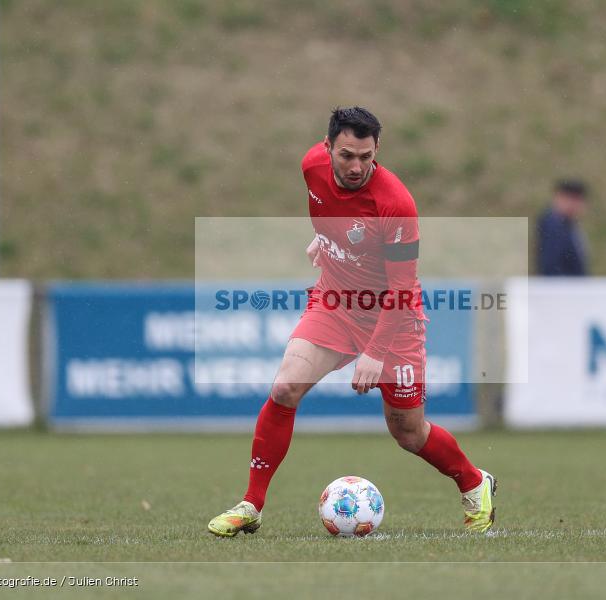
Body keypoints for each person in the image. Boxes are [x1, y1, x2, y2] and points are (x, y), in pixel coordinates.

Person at [208, 107, 496, 537]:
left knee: (409, 433)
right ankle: (252, 504)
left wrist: (375, 353)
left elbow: (402, 289)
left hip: (393, 320)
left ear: (377, 149)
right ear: (327, 148)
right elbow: (337, 212)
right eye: (346, 156)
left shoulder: (396, 205)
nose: (357, 166)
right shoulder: (311, 166)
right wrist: (325, 236)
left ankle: (474, 482)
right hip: (335, 304)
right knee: (285, 388)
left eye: (366, 156)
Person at [537, 179, 590, 276]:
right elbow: (551, 266)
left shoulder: (567, 225)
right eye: (571, 199)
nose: (574, 205)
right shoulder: (553, 226)